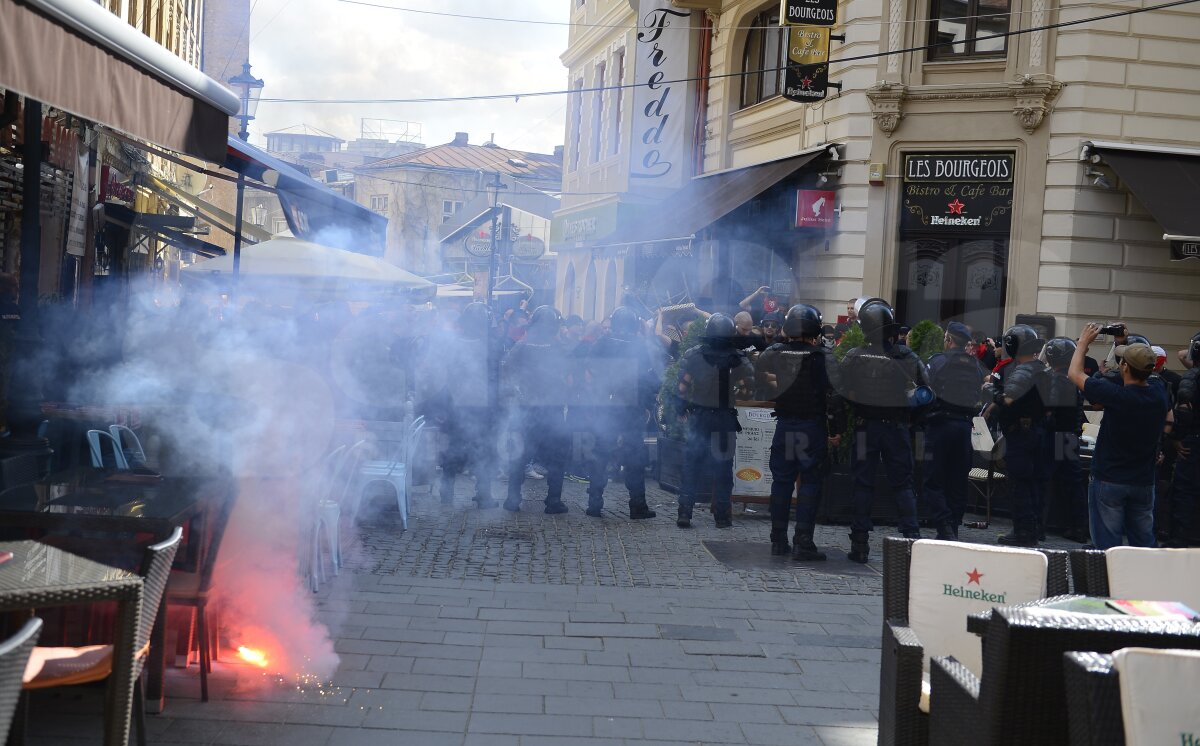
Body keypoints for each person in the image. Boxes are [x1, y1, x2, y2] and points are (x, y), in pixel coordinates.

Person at [837, 299, 929, 562]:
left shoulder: (854, 356)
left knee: (863, 485)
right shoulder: (906, 356)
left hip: (866, 428)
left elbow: (839, 394)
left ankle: (860, 545)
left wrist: (845, 424)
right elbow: (927, 393)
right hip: (895, 428)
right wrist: (911, 420)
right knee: (902, 485)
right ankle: (912, 541)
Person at [1067, 329, 1170, 549]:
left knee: (1108, 547)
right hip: (1143, 481)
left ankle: (1111, 583)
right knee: (1144, 544)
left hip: (1109, 478)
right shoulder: (1160, 392)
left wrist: (1083, 343)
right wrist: (1122, 342)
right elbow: (1137, 372)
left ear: (1124, 367)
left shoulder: (1117, 395)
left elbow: (1075, 374)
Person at [757, 304, 843, 560]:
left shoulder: (775, 352)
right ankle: (803, 542)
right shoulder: (824, 356)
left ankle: (778, 539)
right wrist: (837, 430)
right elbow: (836, 396)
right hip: (811, 427)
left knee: (782, 483)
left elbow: (757, 371)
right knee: (810, 484)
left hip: (785, 427)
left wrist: (777, 385)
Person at [675, 313, 756, 529]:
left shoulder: (694, 355)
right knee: (723, 469)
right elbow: (749, 389)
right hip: (724, 419)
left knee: (692, 466)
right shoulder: (738, 358)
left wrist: (681, 410)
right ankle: (722, 516)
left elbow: (682, 387)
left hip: (700, 417)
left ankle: (685, 512)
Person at [582, 307, 660, 519]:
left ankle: (594, 504)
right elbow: (648, 380)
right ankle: (637, 506)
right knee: (635, 457)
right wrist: (645, 404)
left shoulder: (602, 343)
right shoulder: (639, 346)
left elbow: (588, 367)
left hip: (606, 407)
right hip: (630, 410)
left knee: (600, 454)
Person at [429, 302, 500, 509]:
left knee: (455, 449)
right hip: (477, 407)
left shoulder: (453, 346)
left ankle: (447, 491)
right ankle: (483, 494)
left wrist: (441, 406)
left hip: (458, 406)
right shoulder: (490, 347)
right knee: (483, 450)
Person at [501, 305, 571, 514]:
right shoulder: (558, 348)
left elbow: (506, 372)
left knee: (521, 455)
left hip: (528, 409)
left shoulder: (521, 347)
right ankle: (553, 501)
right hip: (550, 410)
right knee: (557, 457)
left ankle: (513, 499)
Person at [923, 321, 987, 540]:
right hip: (964, 428)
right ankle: (954, 525)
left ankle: (944, 525)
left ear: (948, 339)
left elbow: (925, 388)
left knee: (933, 479)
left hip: (940, 426)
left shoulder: (938, 361)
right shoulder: (976, 366)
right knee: (958, 479)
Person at [988, 324, 1049, 546]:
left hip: (1021, 438)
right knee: (1031, 486)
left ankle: (1023, 533)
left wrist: (990, 390)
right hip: (1036, 434)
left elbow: (1008, 400)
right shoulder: (1041, 369)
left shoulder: (1024, 370)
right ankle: (1031, 531)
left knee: (1019, 487)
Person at [1041, 337, 1090, 543]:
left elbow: (1049, 410)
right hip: (1069, 436)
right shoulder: (1074, 378)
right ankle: (1078, 527)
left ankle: (1038, 526)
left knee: (1043, 481)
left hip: (1055, 437)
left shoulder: (1055, 379)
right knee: (1072, 483)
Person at [1165, 333, 1200, 547]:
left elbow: (1184, 410)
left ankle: (1179, 538)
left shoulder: (1193, 376)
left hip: (1194, 439)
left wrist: (1176, 438)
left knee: (1185, 490)